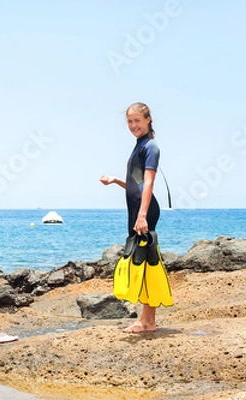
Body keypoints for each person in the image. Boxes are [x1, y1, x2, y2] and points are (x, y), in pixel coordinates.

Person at [100, 102, 168, 334]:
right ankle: (146, 319)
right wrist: (116, 180)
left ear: (148, 119)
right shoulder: (139, 145)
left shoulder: (151, 147)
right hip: (138, 209)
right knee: (140, 261)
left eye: (137, 120)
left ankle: (148, 321)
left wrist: (142, 216)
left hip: (144, 211)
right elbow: (135, 183)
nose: (133, 125)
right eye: (130, 121)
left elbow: (148, 182)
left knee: (146, 263)